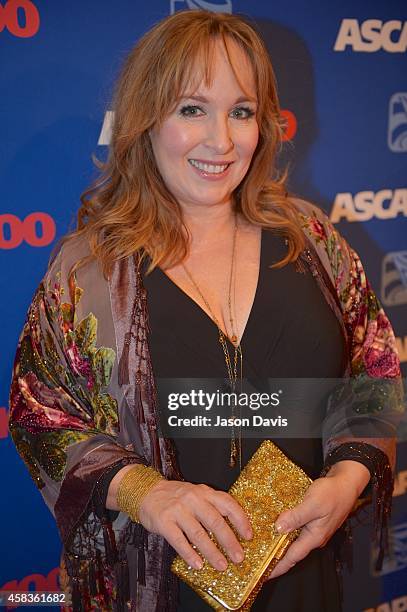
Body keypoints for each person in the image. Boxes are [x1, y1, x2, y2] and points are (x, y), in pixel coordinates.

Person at [8, 9, 403, 612]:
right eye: (192, 108)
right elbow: (42, 415)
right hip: (154, 584)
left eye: (240, 111)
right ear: (146, 118)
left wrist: (348, 478)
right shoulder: (88, 268)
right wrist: (147, 493)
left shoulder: (312, 240)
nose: (221, 140)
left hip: (300, 574)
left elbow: (375, 372)